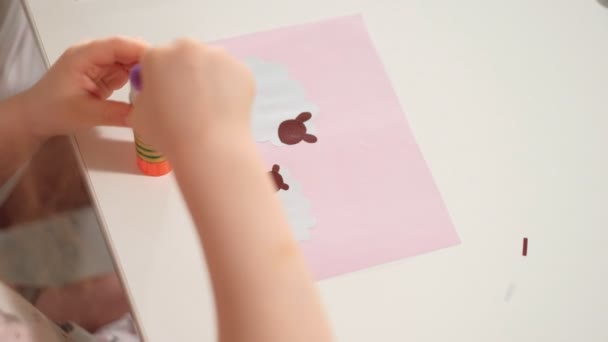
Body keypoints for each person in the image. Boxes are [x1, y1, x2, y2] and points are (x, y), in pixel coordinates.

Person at [0, 36, 333, 341]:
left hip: (33, 314)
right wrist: (218, 148)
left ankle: (55, 303)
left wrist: (29, 115)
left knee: (131, 285)